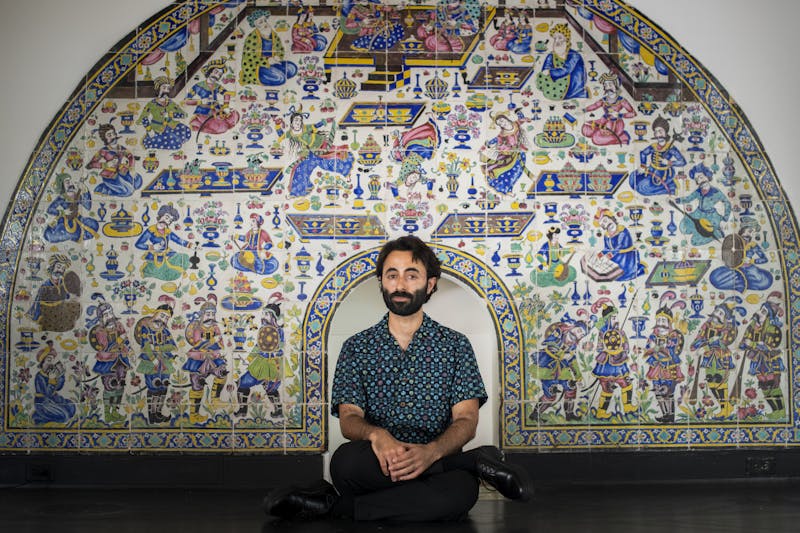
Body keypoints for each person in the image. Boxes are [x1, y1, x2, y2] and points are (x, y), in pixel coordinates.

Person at [263, 236, 532, 522]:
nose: (400, 285)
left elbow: (466, 420)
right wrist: (378, 436)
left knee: (461, 491)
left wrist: (431, 452)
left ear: (430, 284)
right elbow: (349, 418)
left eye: (411, 275)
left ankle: (333, 507)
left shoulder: (456, 345)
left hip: (437, 455)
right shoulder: (357, 347)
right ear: (381, 282)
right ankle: (471, 462)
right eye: (392, 275)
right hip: (376, 463)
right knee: (345, 463)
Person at [535, 23, 588, 100]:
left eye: (560, 38)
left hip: (573, 92)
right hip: (554, 87)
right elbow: (545, 69)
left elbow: (567, 69)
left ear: (566, 39)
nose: (557, 41)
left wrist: (550, 72)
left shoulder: (574, 55)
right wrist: (546, 72)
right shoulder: (551, 55)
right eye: (555, 38)